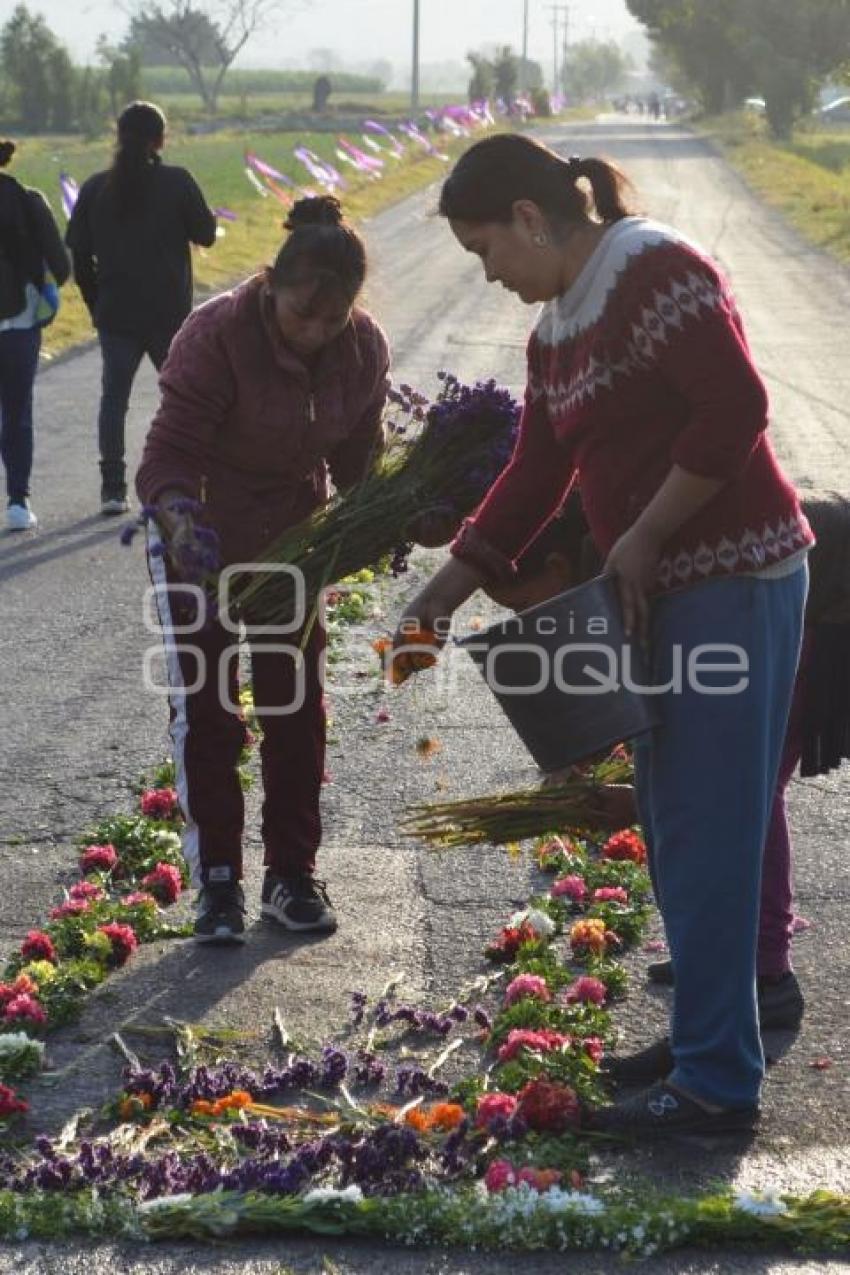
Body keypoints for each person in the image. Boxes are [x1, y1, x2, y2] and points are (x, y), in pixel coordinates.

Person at [395, 133, 812, 1138]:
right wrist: (438, 598)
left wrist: (643, 534)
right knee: (675, 832)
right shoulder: (556, 331)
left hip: (734, 580)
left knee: (710, 834)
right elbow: (532, 477)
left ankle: (716, 1087)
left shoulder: (655, 270)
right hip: (657, 594)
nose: (490, 274)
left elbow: (736, 409)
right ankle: (709, 1039)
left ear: (532, 220)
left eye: (487, 249)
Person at [474, 491, 850, 1043]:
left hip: (821, 605)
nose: (526, 620)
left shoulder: (623, 561)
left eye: (523, 603)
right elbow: (649, 689)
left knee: (752, 791)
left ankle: (769, 976)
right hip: (762, 592)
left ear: (557, 567)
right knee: (720, 787)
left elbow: (681, 691)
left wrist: (640, 798)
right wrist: (579, 767)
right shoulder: (596, 557)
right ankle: (717, 958)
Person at [137, 195, 390, 945]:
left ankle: (291, 874)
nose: (315, 332)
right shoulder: (215, 335)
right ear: (270, 284)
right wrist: (182, 524)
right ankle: (218, 879)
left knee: (295, 704)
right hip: (202, 535)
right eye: (301, 315)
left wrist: (395, 509)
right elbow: (168, 455)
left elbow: (357, 463)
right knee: (210, 709)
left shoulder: (362, 348)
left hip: (295, 540)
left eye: (331, 318)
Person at [66, 101, 217, 516]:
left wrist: (96, 303)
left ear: (119, 136)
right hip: (170, 314)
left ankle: (113, 489)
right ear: (160, 139)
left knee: (114, 399)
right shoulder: (177, 181)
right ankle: (191, 477)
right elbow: (207, 235)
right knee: (187, 398)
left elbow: (78, 256)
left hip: (117, 313)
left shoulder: (96, 188)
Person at [0, 138, 70, 532]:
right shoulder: (28, 200)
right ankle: (17, 500)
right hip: (21, 323)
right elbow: (60, 266)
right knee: (16, 412)